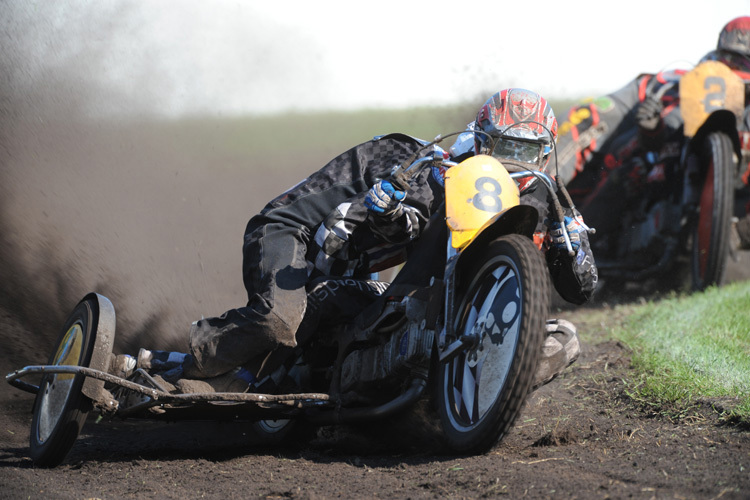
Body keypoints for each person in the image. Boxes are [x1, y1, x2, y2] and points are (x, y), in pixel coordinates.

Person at [111, 88, 598, 392]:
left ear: (546, 152)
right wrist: (386, 209)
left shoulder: (541, 195)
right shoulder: (418, 159)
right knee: (280, 321)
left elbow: (581, 288)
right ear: (482, 138)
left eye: (529, 152)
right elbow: (361, 227)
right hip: (289, 231)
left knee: (563, 338)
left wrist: (565, 235)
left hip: (344, 260)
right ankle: (178, 362)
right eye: (506, 149)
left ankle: (484, 389)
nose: (517, 163)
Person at [555, 16, 750, 254]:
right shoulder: (674, 82)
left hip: (735, 224)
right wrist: (652, 129)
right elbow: (603, 115)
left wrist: (740, 232)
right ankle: (568, 245)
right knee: (593, 126)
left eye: (740, 62)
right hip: (651, 178)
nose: (731, 67)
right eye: (726, 58)